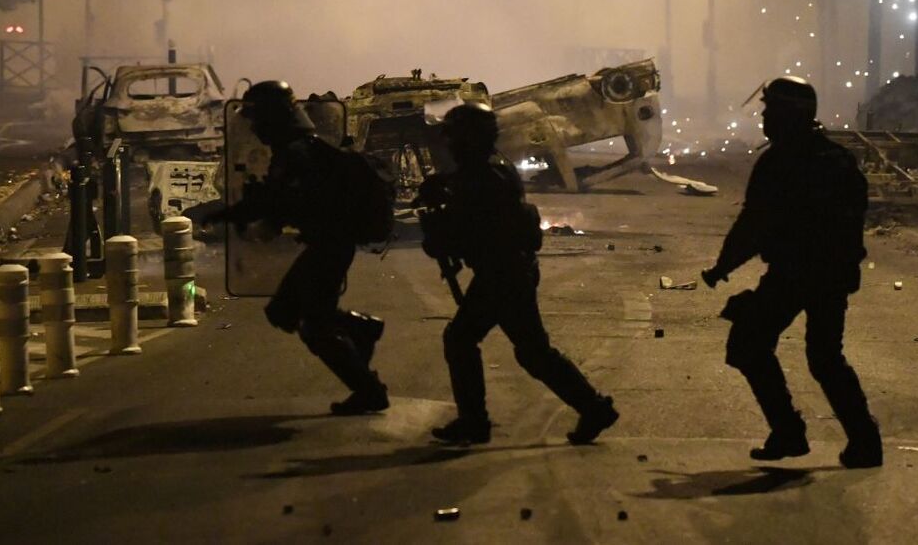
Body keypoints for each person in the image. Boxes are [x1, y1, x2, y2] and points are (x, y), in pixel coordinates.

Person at [702, 76, 882, 468]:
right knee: (825, 358)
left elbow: (754, 224)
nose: (765, 118)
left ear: (788, 115)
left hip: (795, 274)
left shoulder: (779, 162)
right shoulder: (837, 160)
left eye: (770, 110)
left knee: (748, 345)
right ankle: (864, 440)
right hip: (829, 276)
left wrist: (722, 266)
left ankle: (788, 431)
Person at [419, 102, 618, 445]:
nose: (449, 145)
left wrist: (441, 235)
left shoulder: (482, 176)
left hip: (502, 275)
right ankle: (593, 407)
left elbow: (471, 227)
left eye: (454, 137)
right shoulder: (489, 167)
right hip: (510, 272)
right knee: (532, 353)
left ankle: (475, 422)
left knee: (462, 340)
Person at [206, 80, 389, 416]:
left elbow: (286, 203)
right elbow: (279, 201)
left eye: (260, 118)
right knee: (287, 312)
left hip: (330, 246)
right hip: (327, 245)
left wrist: (244, 213)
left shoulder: (298, 154)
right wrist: (232, 212)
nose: (257, 127)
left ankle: (369, 388)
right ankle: (362, 330)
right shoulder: (299, 150)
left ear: (274, 118)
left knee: (312, 326)